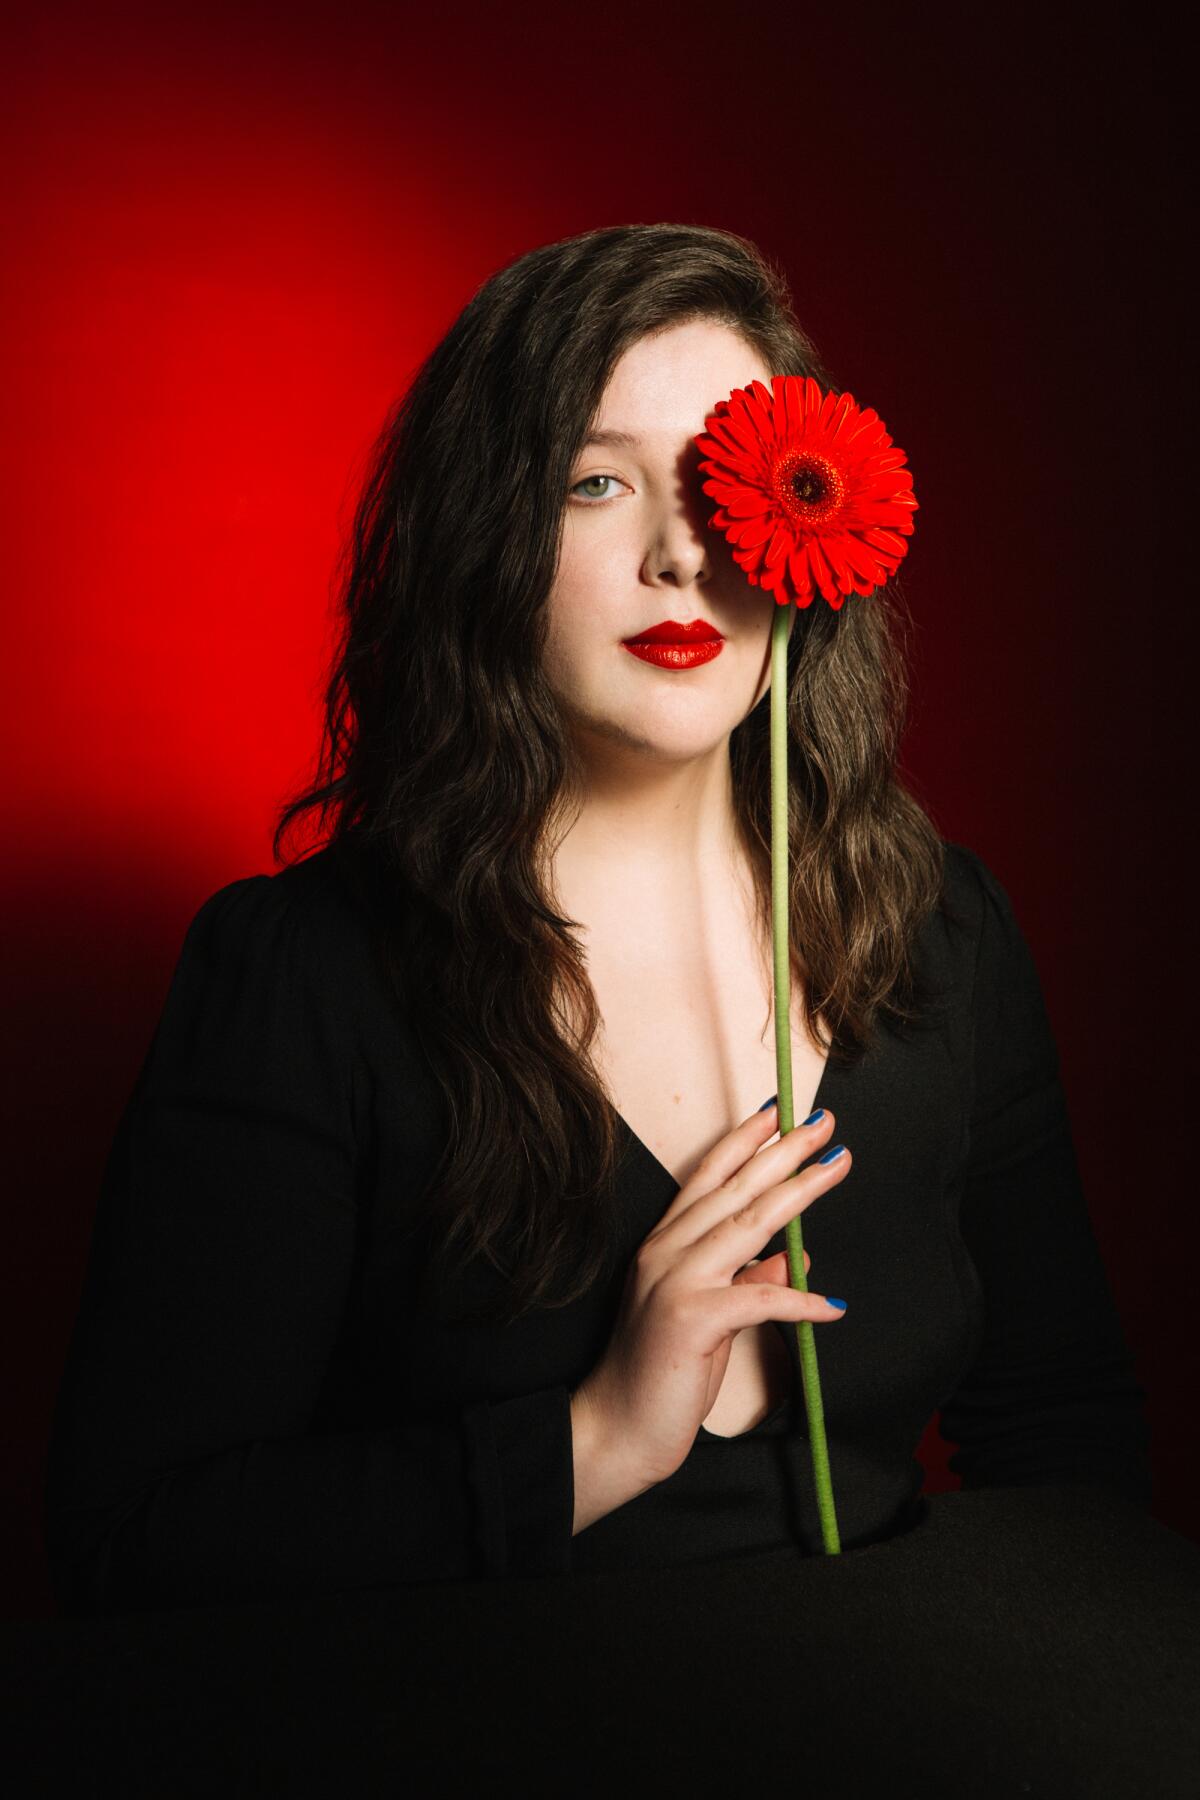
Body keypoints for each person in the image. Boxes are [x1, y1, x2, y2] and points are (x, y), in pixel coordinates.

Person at [42, 222, 1151, 1620]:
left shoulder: (941, 935)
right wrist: (593, 1444)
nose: (681, 553)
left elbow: (1065, 1445)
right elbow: (132, 1539)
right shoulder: (305, 976)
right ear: (487, 533)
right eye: (595, 481)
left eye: (723, 481)